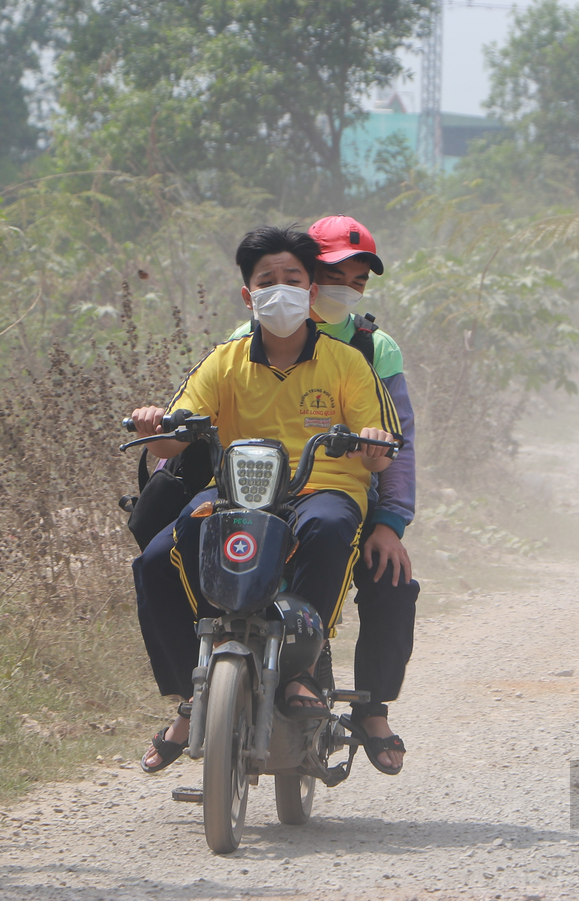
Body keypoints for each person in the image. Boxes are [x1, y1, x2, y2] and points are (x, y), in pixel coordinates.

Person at [130, 225, 401, 772]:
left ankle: (301, 668)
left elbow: (383, 451)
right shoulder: (223, 361)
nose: (280, 290)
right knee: (158, 559)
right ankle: (191, 694)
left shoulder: (349, 363)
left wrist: (373, 444)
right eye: (266, 281)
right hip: (239, 491)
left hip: (324, 488)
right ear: (248, 296)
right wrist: (154, 421)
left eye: (292, 279)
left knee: (327, 528)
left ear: (310, 291)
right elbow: (170, 439)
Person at [229, 215, 416, 775]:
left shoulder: (372, 347)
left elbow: (398, 441)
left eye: (358, 282)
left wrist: (390, 523)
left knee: (391, 580)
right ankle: (201, 695)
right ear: (309, 276)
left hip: (343, 497)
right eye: (336, 275)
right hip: (259, 493)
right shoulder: (248, 342)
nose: (346, 291)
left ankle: (372, 707)